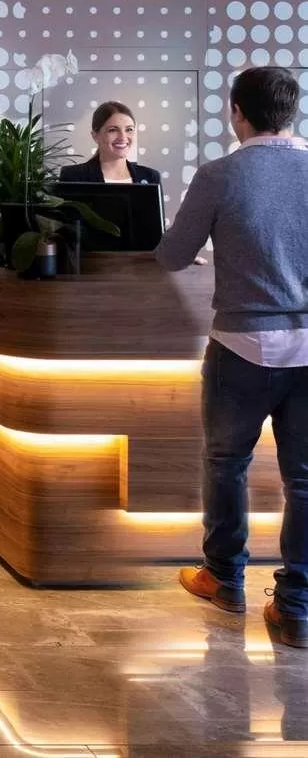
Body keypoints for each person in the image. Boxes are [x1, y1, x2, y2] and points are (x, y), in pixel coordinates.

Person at [157, 66, 308, 649]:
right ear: (290, 111)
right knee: (306, 481)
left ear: (236, 112)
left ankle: (224, 578)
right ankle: (296, 605)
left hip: (243, 347)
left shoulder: (220, 173)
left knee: (226, 463)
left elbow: (173, 257)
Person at [58, 101, 162, 185]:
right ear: (95, 136)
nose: (123, 137)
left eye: (129, 129)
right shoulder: (74, 176)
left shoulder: (151, 177)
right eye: (113, 130)